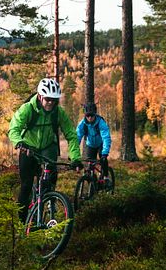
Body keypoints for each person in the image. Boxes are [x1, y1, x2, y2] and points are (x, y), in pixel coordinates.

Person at [8, 78, 82, 223]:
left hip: (48, 147)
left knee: (50, 178)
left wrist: (75, 158)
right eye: (48, 99)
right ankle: (22, 223)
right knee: (26, 186)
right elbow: (13, 129)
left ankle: (49, 201)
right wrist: (20, 143)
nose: (50, 103)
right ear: (40, 96)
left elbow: (71, 135)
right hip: (28, 147)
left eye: (54, 100)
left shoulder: (58, 112)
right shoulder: (28, 109)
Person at [76, 102, 112, 181]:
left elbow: (106, 137)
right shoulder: (82, 124)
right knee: (89, 167)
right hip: (90, 145)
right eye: (88, 115)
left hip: (100, 144)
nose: (90, 118)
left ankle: (106, 177)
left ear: (95, 114)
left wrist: (105, 153)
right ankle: (92, 185)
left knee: (103, 160)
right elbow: (77, 137)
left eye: (92, 115)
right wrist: (73, 153)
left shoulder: (100, 122)